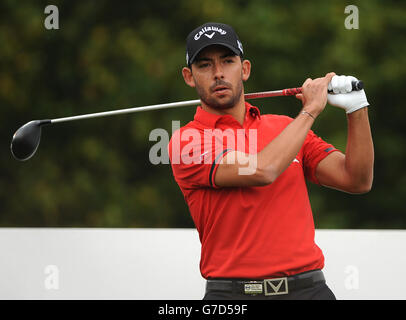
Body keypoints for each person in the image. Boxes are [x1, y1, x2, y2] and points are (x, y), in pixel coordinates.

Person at [168, 22, 374, 300]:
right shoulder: (187, 141)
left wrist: (357, 108)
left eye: (228, 61)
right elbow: (262, 170)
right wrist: (311, 109)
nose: (218, 73)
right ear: (189, 77)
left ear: (245, 70)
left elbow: (357, 180)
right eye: (204, 65)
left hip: (309, 290)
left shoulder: (285, 127)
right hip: (234, 296)